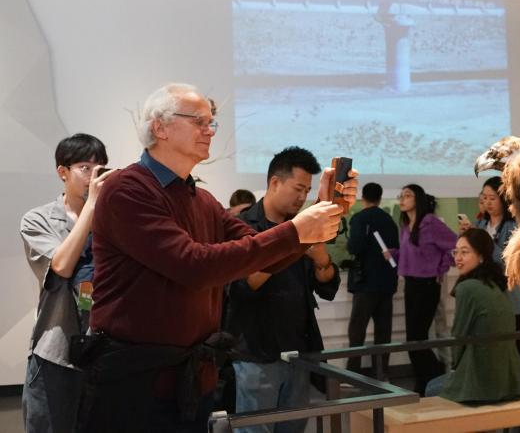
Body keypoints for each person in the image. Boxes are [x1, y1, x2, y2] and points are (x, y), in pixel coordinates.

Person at [79, 83, 357, 433]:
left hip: (190, 379)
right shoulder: (127, 189)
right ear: (159, 127)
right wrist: (299, 230)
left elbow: (259, 254)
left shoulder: (202, 200)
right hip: (135, 382)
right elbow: (194, 266)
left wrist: (318, 215)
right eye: (198, 121)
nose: (209, 130)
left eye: (211, 122)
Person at [227, 147, 341, 433]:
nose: (303, 198)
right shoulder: (242, 227)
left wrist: (322, 260)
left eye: (308, 191)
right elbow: (239, 289)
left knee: (294, 427)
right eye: (298, 189)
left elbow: (327, 288)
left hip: (299, 350)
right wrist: (288, 244)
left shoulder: (303, 227)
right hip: (256, 351)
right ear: (275, 182)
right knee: (255, 428)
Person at [19, 133, 115, 433]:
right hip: (57, 351)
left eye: (100, 168)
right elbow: (61, 266)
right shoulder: (38, 219)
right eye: (85, 168)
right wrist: (92, 207)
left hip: (106, 350)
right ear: (62, 171)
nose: (93, 176)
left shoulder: (114, 219)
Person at [425, 228, 520, 403]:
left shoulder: (467, 287)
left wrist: (455, 368)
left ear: (481, 256)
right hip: (510, 378)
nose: (458, 258)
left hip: (483, 379)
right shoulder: (494, 283)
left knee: (430, 388)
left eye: (465, 252)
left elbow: (459, 336)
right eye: (456, 252)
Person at [386, 184, 457, 396]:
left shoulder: (430, 223)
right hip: (411, 284)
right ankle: (426, 382)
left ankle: (435, 380)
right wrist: (394, 254)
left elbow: (454, 245)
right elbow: (412, 254)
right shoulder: (406, 225)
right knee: (414, 340)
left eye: (407, 195)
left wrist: (441, 268)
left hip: (427, 285)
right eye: (401, 195)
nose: (402, 199)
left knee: (416, 340)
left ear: (418, 199)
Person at [459, 176, 520, 337]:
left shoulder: (515, 226)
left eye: (492, 198)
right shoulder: (480, 224)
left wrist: (484, 239)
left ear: (503, 199)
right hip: (484, 295)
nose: (487, 203)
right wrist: (465, 237)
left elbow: (508, 260)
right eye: (484, 198)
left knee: (511, 343)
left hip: (509, 296)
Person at [346, 182, 399, 378]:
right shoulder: (389, 220)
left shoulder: (360, 219)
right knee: (383, 331)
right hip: (387, 282)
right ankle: (382, 373)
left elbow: (354, 247)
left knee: (357, 330)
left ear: (363, 198)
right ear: (380, 197)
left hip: (365, 282)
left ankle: (353, 374)